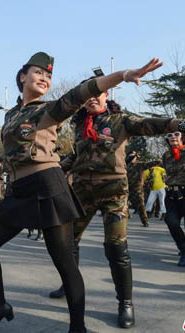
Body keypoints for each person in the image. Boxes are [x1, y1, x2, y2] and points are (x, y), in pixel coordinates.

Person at [0, 52, 164, 333]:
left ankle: (78, 328)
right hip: (19, 191)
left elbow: (82, 92)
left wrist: (123, 75)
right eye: (39, 73)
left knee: (64, 262)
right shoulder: (11, 114)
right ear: (22, 76)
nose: (45, 78)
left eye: (49, 76)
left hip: (49, 188)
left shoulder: (48, 110)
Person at [49, 68, 183, 329]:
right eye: (87, 94)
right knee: (68, 243)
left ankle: (125, 303)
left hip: (113, 192)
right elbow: (75, 156)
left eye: (96, 92)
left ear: (106, 93)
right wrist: (53, 170)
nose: (91, 98)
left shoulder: (121, 120)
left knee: (116, 248)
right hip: (82, 194)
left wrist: (180, 124)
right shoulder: (80, 125)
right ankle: (69, 284)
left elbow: (150, 124)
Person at [162, 131, 185, 266]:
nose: (172, 137)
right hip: (171, 195)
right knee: (171, 221)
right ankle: (183, 248)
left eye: (176, 134)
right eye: (169, 135)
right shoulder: (166, 155)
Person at [126, 152, 159, 227]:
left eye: (133, 157)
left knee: (141, 205)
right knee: (123, 203)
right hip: (126, 188)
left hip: (137, 189)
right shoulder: (126, 166)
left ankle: (145, 221)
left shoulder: (140, 165)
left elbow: (150, 164)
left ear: (136, 158)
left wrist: (159, 161)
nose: (131, 159)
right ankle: (125, 217)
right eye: (130, 157)